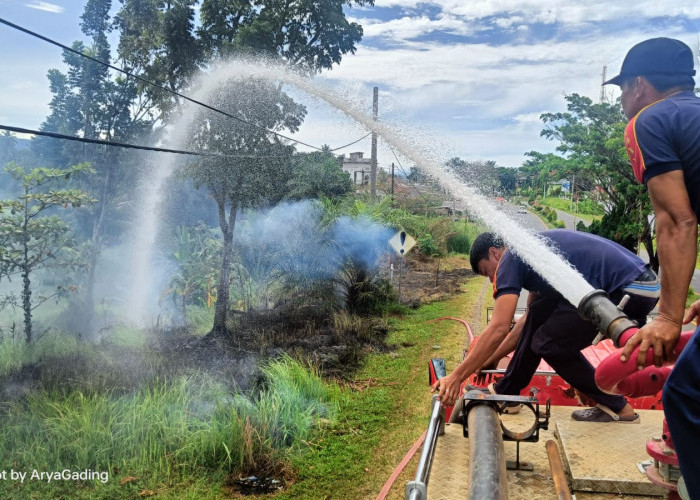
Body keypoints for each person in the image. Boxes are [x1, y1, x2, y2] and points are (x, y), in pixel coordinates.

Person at [603, 37, 700, 498]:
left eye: (622, 89)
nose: (622, 101)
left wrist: (666, 316)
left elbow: (677, 220)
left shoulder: (649, 121)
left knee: (687, 395)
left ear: (640, 85)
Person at [431, 230, 660, 423]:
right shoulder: (531, 256)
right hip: (642, 284)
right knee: (540, 313)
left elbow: (500, 326)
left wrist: (457, 376)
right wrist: (491, 358)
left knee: (549, 345)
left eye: (487, 271)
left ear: (494, 253)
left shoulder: (511, 256)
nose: (494, 279)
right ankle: (507, 392)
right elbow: (529, 321)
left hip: (629, 288)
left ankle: (619, 407)